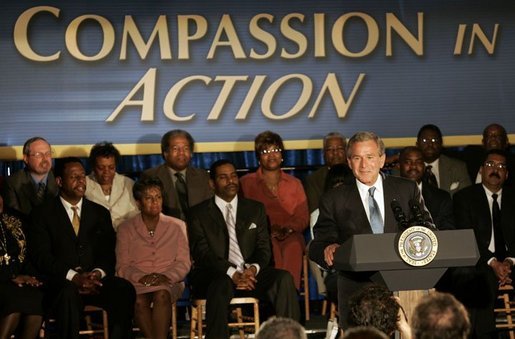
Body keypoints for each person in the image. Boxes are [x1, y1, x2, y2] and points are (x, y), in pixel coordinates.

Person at [309, 131, 423, 329]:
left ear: (382, 159)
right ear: (349, 162)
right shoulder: (334, 199)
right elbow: (317, 245)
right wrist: (328, 248)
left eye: (370, 157)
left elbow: (425, 232)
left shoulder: (406, 190)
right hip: (357, 288)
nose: (364, 165)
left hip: (403, 283)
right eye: (357, 158)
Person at [187, 159, 300, 339]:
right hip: (216, 274)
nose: (231, 181)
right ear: (212, 184)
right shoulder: (198, 214)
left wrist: (252, 269)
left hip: (249, 273)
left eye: (233, 176)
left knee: (283, 279)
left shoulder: (255, 209)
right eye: (223, 177)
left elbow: (264, 249)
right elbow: (203, 255)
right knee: (220, 284)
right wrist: (232, 273)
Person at [28, 157, 136, 339]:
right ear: (60, 181)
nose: (81, 181)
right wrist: (74, 277)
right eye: (74, 177)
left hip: (94, 281)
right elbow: (42, 257)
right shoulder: (42, 214)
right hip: (62, 282)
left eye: (82, 176)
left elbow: (108, 252)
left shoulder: (99, 212)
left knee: (123, 289)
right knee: (68, 293)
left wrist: (97, 273)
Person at [116, 177, 191, 339]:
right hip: (138, 282)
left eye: (158, 197)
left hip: (169, 281)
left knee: (162, 294)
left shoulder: (177, 225)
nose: (155, 202)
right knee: (138, 301)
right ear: (138, 202)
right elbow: (122, 266)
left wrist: (166, 276)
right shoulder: (125, 228)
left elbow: (184, 262)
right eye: (148, 198)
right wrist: (141, 277)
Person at [453, 149, 515, 338]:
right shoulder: (464, 198)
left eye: (501, 166)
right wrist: (493, 263)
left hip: (512, 263)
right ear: (481, 170)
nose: (495, 169)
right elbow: (466, 237)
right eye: (490, 165)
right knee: (477, 278)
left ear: (507, 174)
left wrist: (510, 261)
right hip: (481, 262)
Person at [240, 131, 309, 289]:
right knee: (272, 248)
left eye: (275, 150)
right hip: (260, 236)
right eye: (265, 151)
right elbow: (242, 217)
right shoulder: (246, 183)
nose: (271, 155)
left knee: (293, 247)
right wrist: (267, 230)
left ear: (282, 155)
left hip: (290, 233)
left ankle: (290, 295)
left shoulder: (295, 183)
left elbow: (303, 216)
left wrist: (288, 229)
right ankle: (274, 295)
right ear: (258, 157)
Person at [141, 129, 212, 220]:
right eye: (175, 149)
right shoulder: (151, 176)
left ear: (191, 153)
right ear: (165, 153)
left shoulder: (203, 176)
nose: (181, 153)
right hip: (166, 229)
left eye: (186, 148)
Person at [0, 194, 44, 339]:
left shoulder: (17, 218)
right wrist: (11, 276)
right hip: (3, 281)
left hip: (20, 278)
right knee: (14, 301)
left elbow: (29, 253)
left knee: (35, 298)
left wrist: (31, 277)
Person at [85, 141, 139, 230]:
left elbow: (136, 215)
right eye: (101, 168)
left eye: (111, 167)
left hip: (126, 234)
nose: (106, 172)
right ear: (93, 167)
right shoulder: (85, 184)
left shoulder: (128, 184)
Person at [398, 146, 454, 230]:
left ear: (424, 166)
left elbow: (448, 232)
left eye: (418, 162)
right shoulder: (387, 194)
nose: (413, 166)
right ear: (399, 166)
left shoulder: (442, 198)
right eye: (408, 162)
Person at [3, 137, 58, 216]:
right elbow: (14, 219)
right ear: (26, 158)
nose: (45, 158)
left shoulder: (60, 178)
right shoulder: (13, 183)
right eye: (38, 155)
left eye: (48, 154)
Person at [416, 124, 471, 196]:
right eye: (425, 140)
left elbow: (467, 198)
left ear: (441, 143)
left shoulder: (458, 168)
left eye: (434, 140)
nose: (430, 145)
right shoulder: (407, 168)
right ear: (417, 144)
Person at [304, 132, 351, 213]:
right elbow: (315, 210)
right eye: (330, 149)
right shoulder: (314, 180)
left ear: (347, 151)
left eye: (340, 149)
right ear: (323, 153)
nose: (335, 153)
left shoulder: (356, 173)